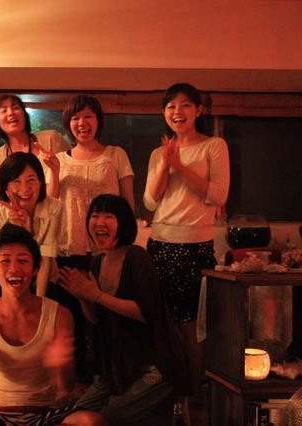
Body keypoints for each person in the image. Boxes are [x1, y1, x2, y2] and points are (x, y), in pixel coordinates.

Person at [59, 194, 189, 426]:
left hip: (154, 366)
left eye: (108, 216)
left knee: (108, 418)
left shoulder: (137, 257)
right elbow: (97, 319)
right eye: (95, 215)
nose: (100, 222)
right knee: (71, 417)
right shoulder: (97, 263)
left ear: (124, 224)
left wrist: (96, 295)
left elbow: (147, 312)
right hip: (117, 368)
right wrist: (83, 296)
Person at [0, 224, 106, 426]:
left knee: (91, 421)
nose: (14, 268)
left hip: (46, 414)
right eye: (5, 261)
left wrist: (61, 363)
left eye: (23, 261)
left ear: (36, 269)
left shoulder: (59, 315)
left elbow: (66, 387)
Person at [143, 83, 230, 401]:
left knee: (190, 327)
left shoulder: (214, 146)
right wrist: (167, 164)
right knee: (160, 323)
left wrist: (180, 166)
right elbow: (150, 202)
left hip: (195, 247)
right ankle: (166, 398)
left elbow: (218, 196)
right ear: (164, 112)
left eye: (185, 105)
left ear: (199, 110)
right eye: (170, 106)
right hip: (160, 243)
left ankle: (193, 397)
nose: (177, 112)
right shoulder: (158, 153)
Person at [48, 94, 134, 269]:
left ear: (98, 121)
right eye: (75, 118)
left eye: (88, 116)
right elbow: (49, 206)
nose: (82, 123)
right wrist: (55, 172)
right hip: (68, 248)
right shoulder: (59, 160)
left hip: (109, 247)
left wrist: (125, 243)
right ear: (68, 123)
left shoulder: (116, 155)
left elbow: (128, 205)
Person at [0, 152, 62, 296]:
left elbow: (46, 259)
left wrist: (39, 301)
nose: (25, 188)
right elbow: (3, 260)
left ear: (40, 182)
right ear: (5, 186)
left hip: (43, 278)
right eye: (16, 181)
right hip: (7, 281)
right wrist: (15, 227)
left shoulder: (53, 207)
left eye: (31, 180)